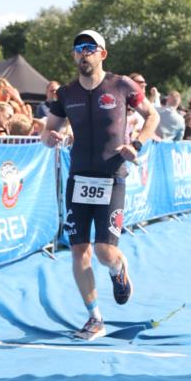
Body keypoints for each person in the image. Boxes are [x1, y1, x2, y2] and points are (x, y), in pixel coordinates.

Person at [41, 30, 159, 341]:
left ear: (102, 54)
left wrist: (139, 144)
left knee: (106, 252)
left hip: (112, 175)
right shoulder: (66, 94)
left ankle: (118, 271)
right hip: (78, 177)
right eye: (78, 48)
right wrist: (49, 137)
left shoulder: (122, 85)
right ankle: (94, 318)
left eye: (90, 48)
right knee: (79, 250)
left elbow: (153, 116)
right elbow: (47, 132)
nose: (83, 53)